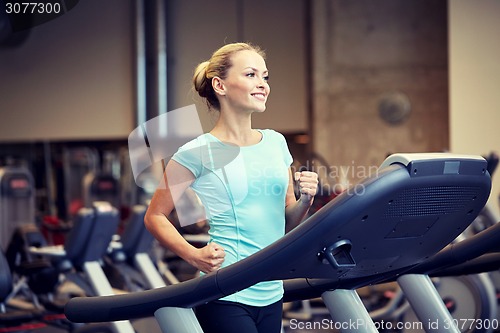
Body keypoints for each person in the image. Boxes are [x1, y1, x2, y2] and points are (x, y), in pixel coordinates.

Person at [144, 42, 318, 333]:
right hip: (224, 292)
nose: (263, 84)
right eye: (251, 74)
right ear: (220, 85)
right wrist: (193, 254)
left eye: (265, 76)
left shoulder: (276, 143)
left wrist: (306, 200)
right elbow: (155, 216)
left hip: (272, 291)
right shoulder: (197, 152)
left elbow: (287, 219)